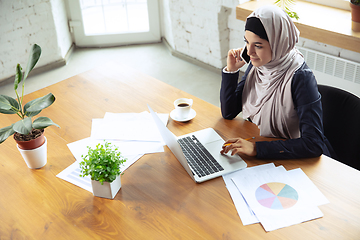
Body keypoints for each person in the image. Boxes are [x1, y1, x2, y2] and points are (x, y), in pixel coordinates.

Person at [220, 5, 335, 159]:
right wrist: (231, 70)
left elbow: (313, 144)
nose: (249, 52)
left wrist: (256, 149)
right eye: (247, 42)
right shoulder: (259, 66)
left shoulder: (300, 77)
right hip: (264, 142)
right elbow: (229, 112)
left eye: (258, 45)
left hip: (298, 158)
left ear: (278, 43)